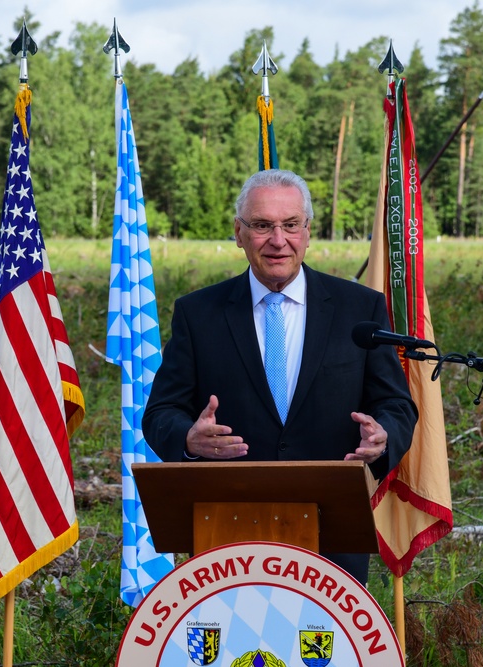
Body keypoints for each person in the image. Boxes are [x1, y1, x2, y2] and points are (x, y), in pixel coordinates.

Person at [142, 169, 418, 583]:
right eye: (261, 225)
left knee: (321, 651)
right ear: (238, 232)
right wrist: (187, 438)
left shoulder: (358, 309)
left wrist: (383, 438)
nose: (278, 239)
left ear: (307, 231)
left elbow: (397, 406)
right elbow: (161, 412)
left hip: (332, 534)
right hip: (227, 536)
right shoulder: (199, 314)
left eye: (290, 225)